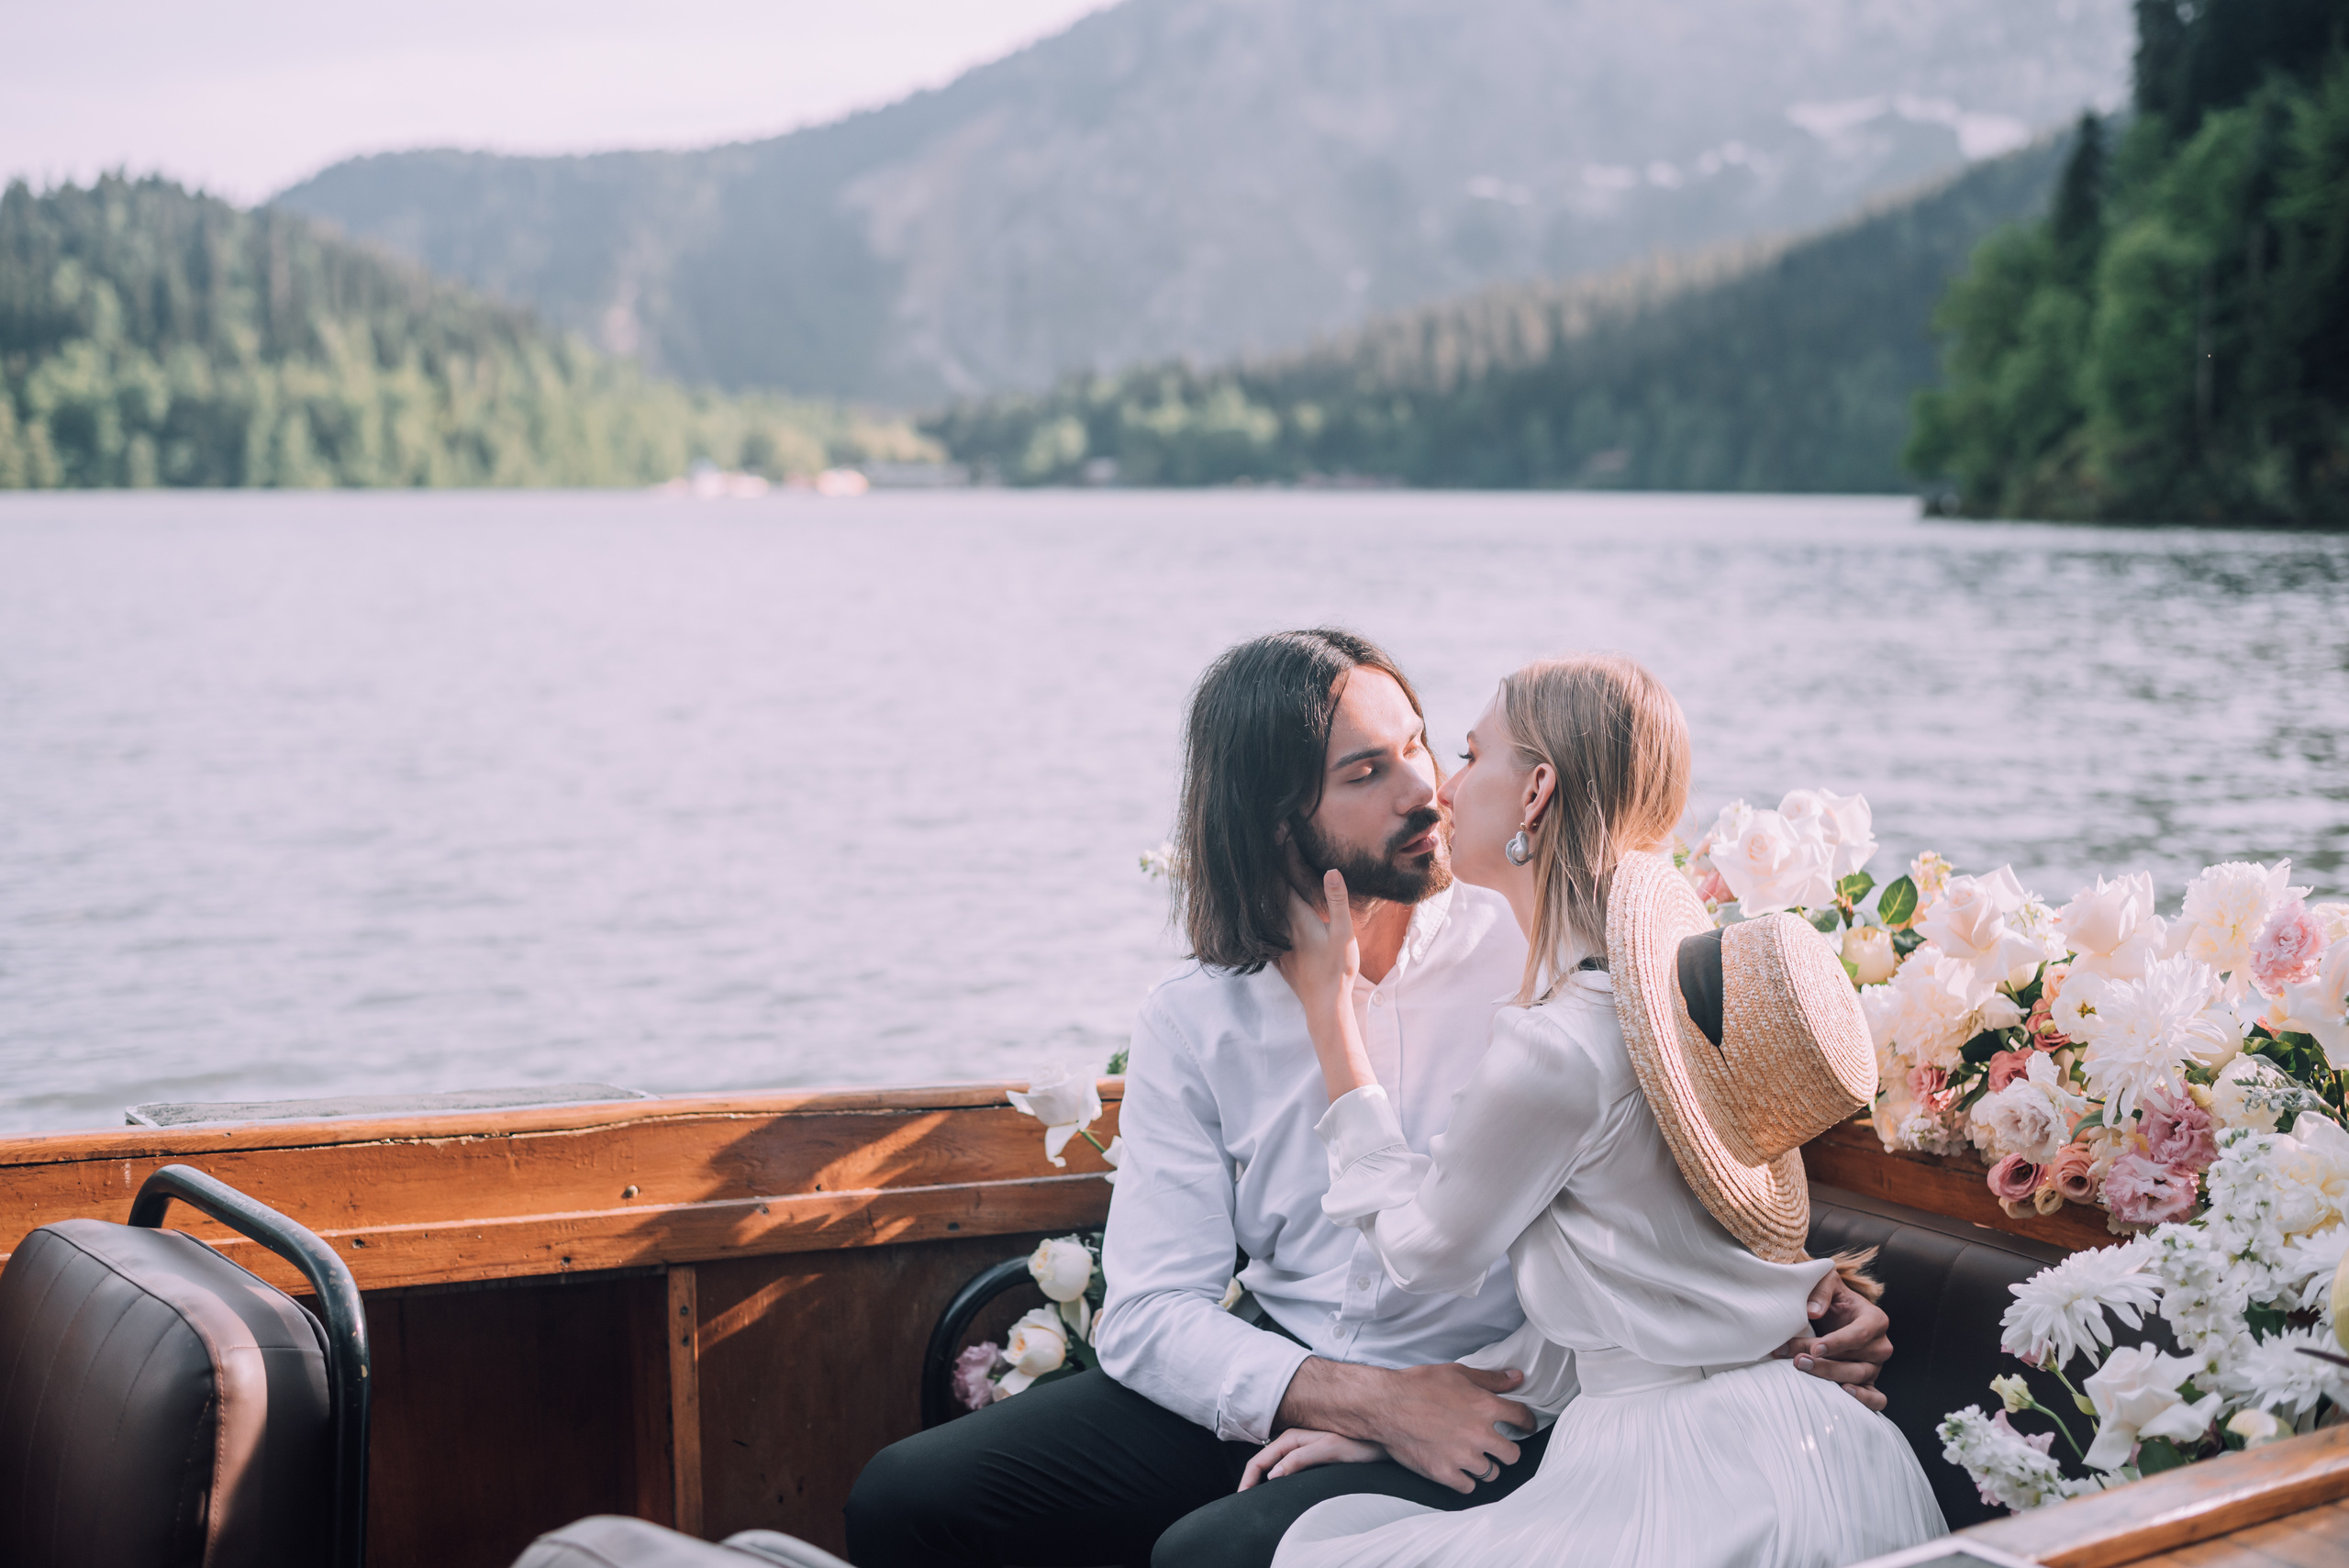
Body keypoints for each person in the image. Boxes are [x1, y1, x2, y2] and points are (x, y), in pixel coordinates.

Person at [843, 630, 1895, 1568]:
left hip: (1495, 1399)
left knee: (1212, 1552)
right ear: (1278, 820)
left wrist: (1799, 1302)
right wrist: (1358, 1399)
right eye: (1366, 771)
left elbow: (1668, 1175)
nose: (1425, 788)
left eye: (1424, 745)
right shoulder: (1195, 1014)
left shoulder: (1537, 954)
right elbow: (1151, 1312)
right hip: (1299, 1370)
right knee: (906, 1497)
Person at [1255, 653, 1944, 1568]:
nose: (1443, 789)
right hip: (1824, 1450)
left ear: (1536, 790)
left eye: (1470, 754)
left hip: (1688, 1472)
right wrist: (1386, 1424)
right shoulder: (1652, 1003)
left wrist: (1331, 1018)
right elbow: (1608, 1304)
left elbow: (1423, 1252)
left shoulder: (1557, 1043)